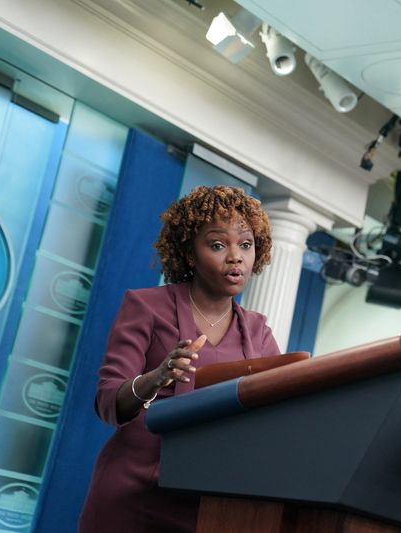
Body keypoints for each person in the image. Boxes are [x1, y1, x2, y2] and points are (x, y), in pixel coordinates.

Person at [79, 185, 281, 532]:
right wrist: (155, 378)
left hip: (204, 501)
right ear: (189, 253)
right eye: (218, 244)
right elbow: (108, 402)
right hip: (132, 493)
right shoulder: (144, 306)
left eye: (246, 245)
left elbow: (278, 410)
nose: (236, 257)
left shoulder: (258, 331)